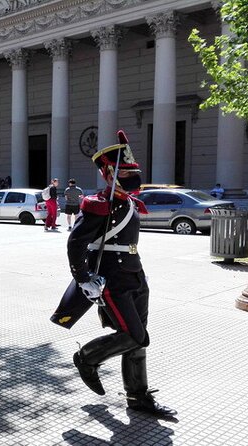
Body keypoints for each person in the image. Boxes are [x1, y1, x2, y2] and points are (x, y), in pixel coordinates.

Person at [65, 130, 176, 417]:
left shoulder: (129, 203)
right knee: (134, 335)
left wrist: (139, 270)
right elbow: (76, 243)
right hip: (111, 281)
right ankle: (87, 358)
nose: (132, 177)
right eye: (125, 172)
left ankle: (137, 397)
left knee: (138, 338)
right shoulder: (98, 205)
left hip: (135, 276)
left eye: (133, 171)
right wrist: (83, 278)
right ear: (110, 173)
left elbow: (128, 244)